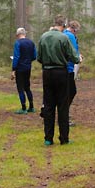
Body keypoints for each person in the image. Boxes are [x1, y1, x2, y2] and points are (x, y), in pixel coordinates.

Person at [37, 15, 80, 146]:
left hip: (47, 73)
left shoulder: (43, 37)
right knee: (62, 106)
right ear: (63, 25)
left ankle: (48, 138)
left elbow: (38, 57)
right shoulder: (64, 38)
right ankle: (64, 137)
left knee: (49, 105)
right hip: (61, 72)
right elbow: (74, 57)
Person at [11, 27, 37, 114]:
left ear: (18, 35)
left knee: (20, 88)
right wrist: (28, 61)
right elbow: (34, 56)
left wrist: (13, 69)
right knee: (27, 87)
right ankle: (31, 106)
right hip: (28, 67)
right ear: (24, 34)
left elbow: (16, 57)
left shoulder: (18, 43)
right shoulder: (31, 43)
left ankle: (23, 108)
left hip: (20, 68)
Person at [63, 20, 82, 126]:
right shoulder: (70, 36)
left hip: (63, 68)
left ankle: (64, 114)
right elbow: (73, 51)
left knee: (65, 92)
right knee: (71, 92)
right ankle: (64, 115)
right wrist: (78, 58)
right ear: (74, 29)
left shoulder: (64, 34)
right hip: (69, 68)